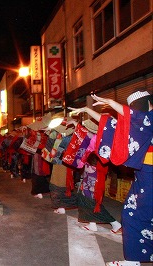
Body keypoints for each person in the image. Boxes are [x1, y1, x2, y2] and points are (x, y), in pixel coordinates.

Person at [69, 91, 153, 266]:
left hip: (150, 177)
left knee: (134, 215)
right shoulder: (140, 122)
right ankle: (134, 259)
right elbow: (110, 124)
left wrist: (112, 103)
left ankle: (133, 260)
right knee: (133, 215)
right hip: (143, 176)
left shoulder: (148, 119)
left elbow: (135, 117)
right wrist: (86, 109)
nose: (132, 113)